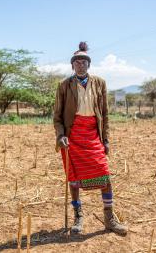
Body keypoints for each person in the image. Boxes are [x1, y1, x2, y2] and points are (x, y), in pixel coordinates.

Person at [53, 42, 128, 235]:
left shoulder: (100, 83)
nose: (80, 64)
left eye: (84, 61)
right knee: (74, 179)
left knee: (105, 175)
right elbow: (58, 116)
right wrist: (60, 135)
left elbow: (105, 113)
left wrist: (106, 139)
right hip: (72, 136)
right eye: (77, 62)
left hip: (93, 135)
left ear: (89, 64)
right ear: (72, 66)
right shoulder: (64, 85)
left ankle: (109, 218)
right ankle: (78, 216)